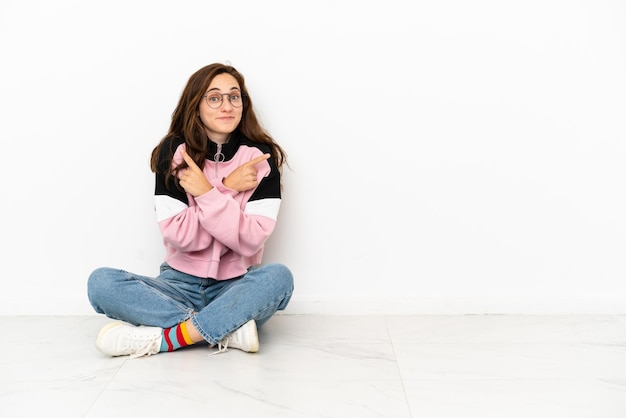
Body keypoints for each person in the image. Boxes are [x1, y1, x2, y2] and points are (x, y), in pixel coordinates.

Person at [87, 63, 294, 358]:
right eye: (214, 98)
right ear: (195, 105)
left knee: (278, 278)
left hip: (235, 288)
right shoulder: (173, 152)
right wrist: (227, 187)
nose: (227, 106)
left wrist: (208, 193)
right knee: (101, 283)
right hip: (176, 285)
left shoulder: (259, 159)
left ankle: (166, 339)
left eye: (234, 97)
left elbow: (251, 239)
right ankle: (225, 328)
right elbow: (180, 235)